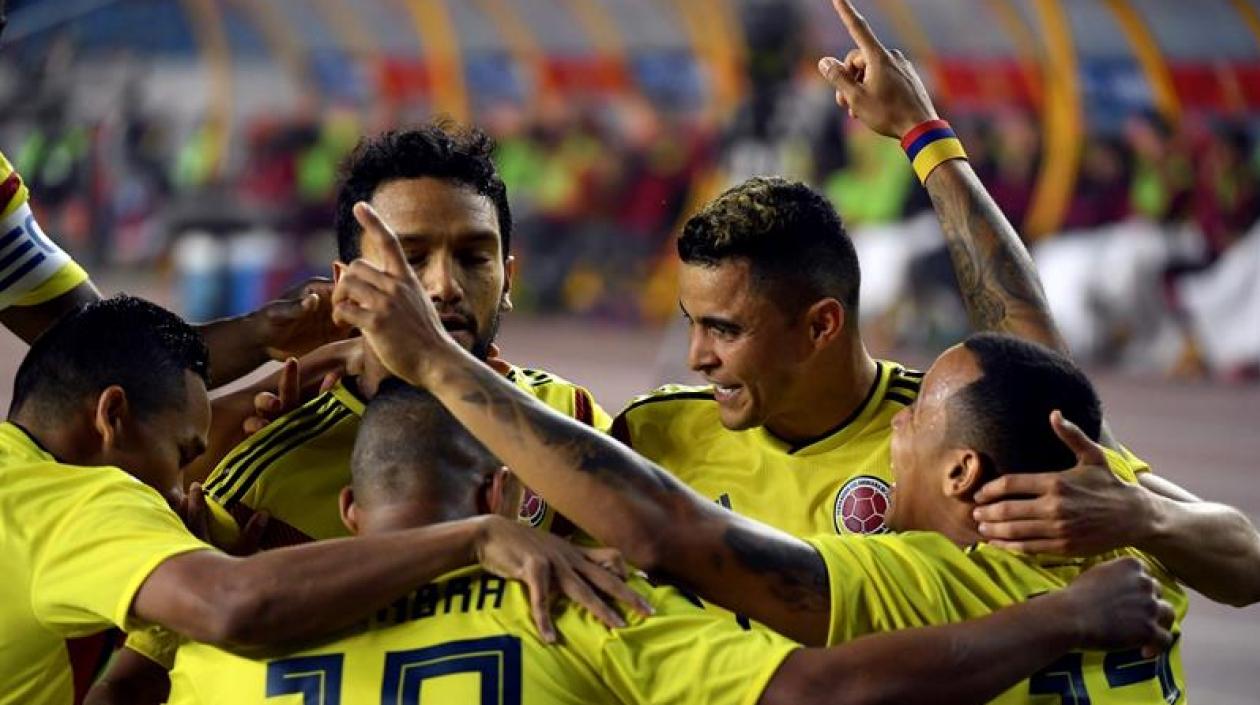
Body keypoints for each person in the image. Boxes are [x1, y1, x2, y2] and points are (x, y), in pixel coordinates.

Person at [329, 204, 1185, 704]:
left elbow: (675, 535)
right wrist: (930, 142)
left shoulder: (920, 579)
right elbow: (1043, 369)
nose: (898, 420)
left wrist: (436, 362)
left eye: (916, 416)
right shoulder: (1136, 543)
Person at [615, 0, 1260, 609]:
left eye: (724, 329)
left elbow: (1247, 563)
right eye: (691, 325)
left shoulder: (960, 433)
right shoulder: (655, 436)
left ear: (821, 326)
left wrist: (1143, 516)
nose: (696, 357)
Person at [165, 381, 1173, 705]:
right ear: (517, 495)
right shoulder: (582, 603)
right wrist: (1063, 617)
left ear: (347, 507)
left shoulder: (216, 638)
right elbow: (812, 692)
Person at [3, 294, 642, 705]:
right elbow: (232, 603)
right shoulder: (84, 503)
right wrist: (475, 538)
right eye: (180, 453)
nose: (180, 488)